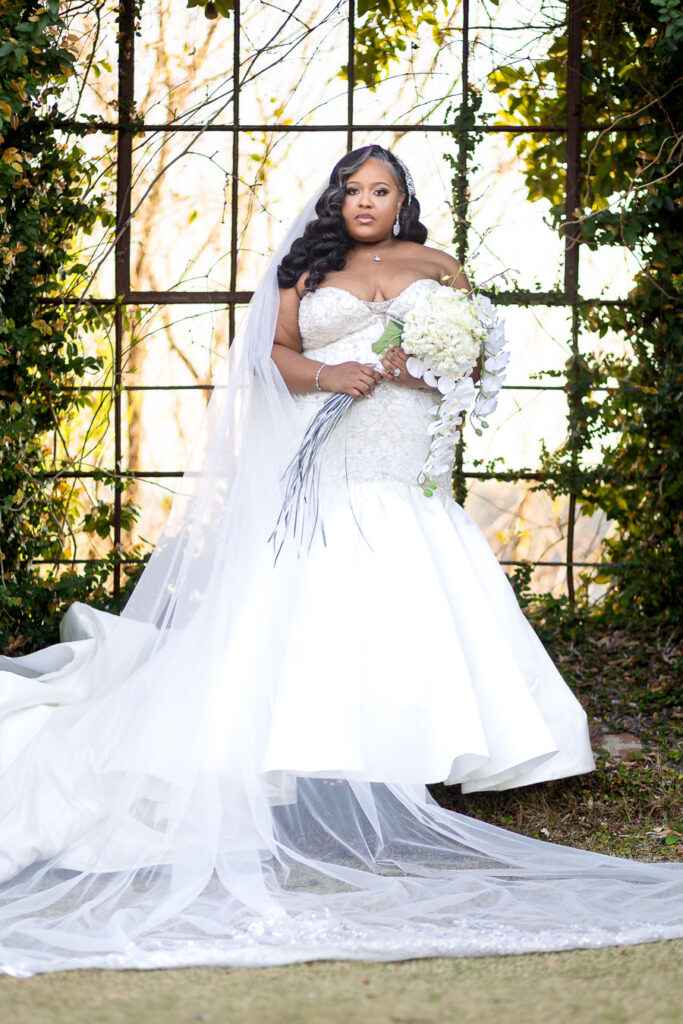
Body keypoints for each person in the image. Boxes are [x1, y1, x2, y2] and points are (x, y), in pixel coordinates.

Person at [0, 145, 681, 977]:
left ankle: (415, 774)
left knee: (414, 623)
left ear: (402, 199)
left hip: (408, 474)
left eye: (380, 189)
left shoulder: (440, 266)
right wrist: (332, 371)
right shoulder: (307, 266)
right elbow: (268, 361)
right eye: (352, 190)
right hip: (328, 471)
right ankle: (310, 787)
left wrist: (419, 364)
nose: (364, 201)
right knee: (315, 624)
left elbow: (471, 367)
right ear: (338, 201)